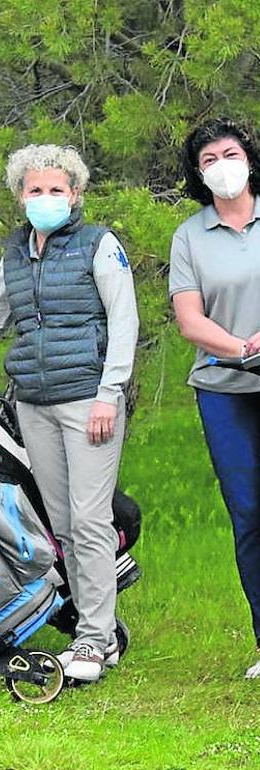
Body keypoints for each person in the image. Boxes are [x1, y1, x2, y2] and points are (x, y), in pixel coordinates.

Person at [0, 144, 138, 684]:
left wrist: (109, 395)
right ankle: (101, 633)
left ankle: (90, 642)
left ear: (76, 194)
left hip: (88, 401)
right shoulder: (14, 255)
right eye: (35, 190)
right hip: (34, 404)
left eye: (56, 190)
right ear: (21, 196)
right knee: (62, 524)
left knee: (91, 521)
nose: (46, 199)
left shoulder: (98, 245)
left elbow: (124, 324)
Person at [169, 117, 260, 679]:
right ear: (199, 176)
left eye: (229, 153)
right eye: (209, 160)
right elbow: (188, 319)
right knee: (250, 515)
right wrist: (245, 349)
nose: (222, 165)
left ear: (249, 158)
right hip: (224, 388)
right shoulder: (189, 236)